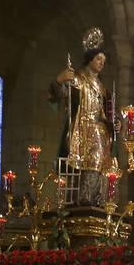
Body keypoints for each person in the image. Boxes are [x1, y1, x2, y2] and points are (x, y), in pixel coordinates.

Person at [50, 27, 117, 207]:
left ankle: (97, 198)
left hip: (100, 130)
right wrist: (60, 80)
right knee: (89, 161)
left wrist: (113, 123)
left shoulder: (102, 87)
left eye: (103, 60)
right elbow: (60, 95)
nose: (102, 63)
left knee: (102, 164)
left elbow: (106, 111)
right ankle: (84, 197)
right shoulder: (78, 78)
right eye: (98, 59)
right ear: (90, 59)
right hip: (83, 127)